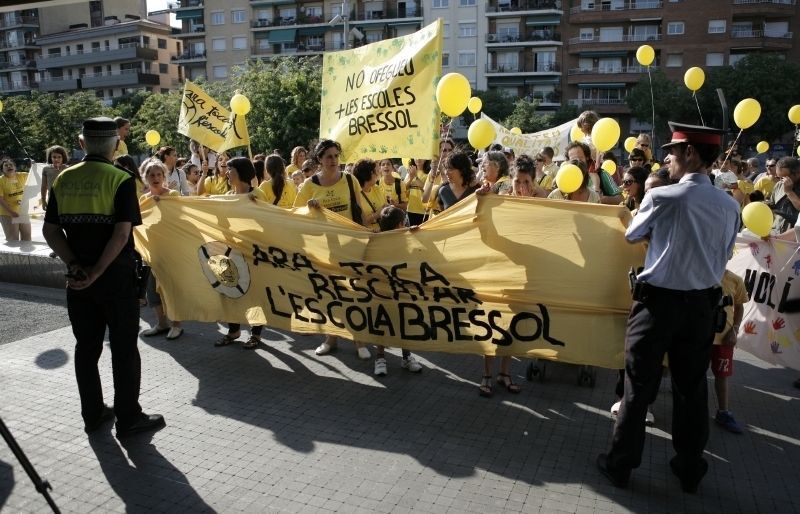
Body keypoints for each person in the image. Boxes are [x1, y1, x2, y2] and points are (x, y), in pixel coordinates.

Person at [597, 122, 740, 494]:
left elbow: (632, 234)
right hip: (701, 309)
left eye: (673, 153)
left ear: (690, 153)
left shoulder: (665, 197)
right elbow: (725, 255)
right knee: (691, 391)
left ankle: (620, 464)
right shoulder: (729, 205)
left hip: (658, 305)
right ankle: (690, 469)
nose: (668, 161)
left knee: (638, 387)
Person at [42, 116, 165, 437]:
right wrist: (98, 272)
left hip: (77, 280)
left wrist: (76, 266)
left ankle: (93, 414)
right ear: (116, 145)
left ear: (81, 143)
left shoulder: (63, 179)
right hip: (115, 280)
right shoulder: (121, 179)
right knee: (124, 349)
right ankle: (128, 418)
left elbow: (51, 231)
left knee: (86, 348)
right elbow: (121, 235)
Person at [294, 139, 370, 359]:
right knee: (329, 295)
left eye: (336, 156)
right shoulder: (309, 185)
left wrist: (366, 239)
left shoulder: (349, 179)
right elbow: (295, 216)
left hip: (351, 246)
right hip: (323, 250)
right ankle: (331, 338)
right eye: (329, 156)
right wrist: (310, 210)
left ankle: (359, 341)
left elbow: (360, 211)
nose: (334, 160)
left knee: (354, 294)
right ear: (319, 160)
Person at [214, 157, 269, 349]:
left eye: (231, 170)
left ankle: (256, 334)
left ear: (242, 172)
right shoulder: (227, 195)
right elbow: (222, 224)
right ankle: (233, 330)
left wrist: (255, 208)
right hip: (231, 252)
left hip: (253, 253)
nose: (227, 173)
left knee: (254, 294)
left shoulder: (258, 194)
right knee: (229, 291)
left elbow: (270, 224)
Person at [373, 205, 423, 376]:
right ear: (399, 224)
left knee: (402, 322)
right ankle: (381, 357)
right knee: (383, 323)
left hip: (401, 290)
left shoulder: (404, 238)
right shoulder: (376, 241)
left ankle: (405, 356)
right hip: (383, 291)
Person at [139, 159, 184, 341]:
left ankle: (176, 325)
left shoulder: (172, 195)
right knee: (152, 290)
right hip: (151, 251)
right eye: (152, 175)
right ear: (145, 178)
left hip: (170, 251)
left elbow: (179, 220)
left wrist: (162, 205)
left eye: (159, 174)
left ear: (164, 177)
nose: (156, 178)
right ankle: (162, 323)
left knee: (171, 289)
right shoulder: (143, 199)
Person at [711, 270, 746, 434]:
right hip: (698, 338)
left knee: (722, 375)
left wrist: (735, 330)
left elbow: (739, 307)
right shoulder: (699, 272)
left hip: (724, 339)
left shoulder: (736, 280)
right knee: (692, 376)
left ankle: (723, 412)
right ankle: (688, 411)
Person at [766, 156, 800, 235]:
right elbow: (773, 204)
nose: (782, 181)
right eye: (779, 177)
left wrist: (789, 192)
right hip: (777, 230)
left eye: (785, 177)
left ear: (797, 173)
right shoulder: (779, 185)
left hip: (794, 235)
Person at [0, 158, 32, 241]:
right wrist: (11, 212)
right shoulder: (1, 181)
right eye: (6, 165)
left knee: (27, 237)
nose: (9, 166)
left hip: (23, 212)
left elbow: (36, 178)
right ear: (2, 169)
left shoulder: (23, 175)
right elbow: (1, 199)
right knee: (13, 239)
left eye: (11, 165)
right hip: (7, 214)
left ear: (15, 167)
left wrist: (33, 166)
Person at [352, 158, 386, 232]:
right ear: (370, 173)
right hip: (366, 237)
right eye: (377, 171)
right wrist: (376, 214)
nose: (379, 174)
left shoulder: (377, 188)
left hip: (381, 234)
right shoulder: (354, 194)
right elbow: (357, 222)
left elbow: (384, 206)